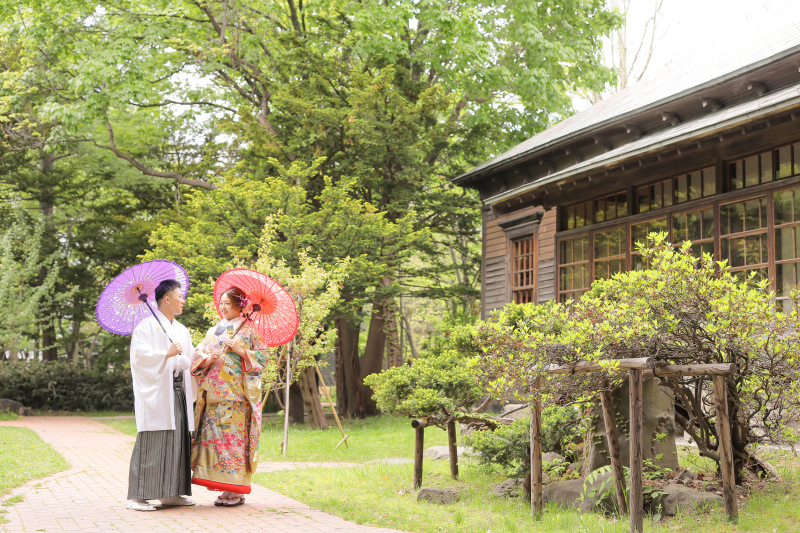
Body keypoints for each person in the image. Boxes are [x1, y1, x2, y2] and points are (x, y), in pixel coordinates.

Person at [191, 287, 267, 507]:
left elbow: (263, 357)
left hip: (237, 396)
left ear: (239, 305)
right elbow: (198, 353)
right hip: (214, 396)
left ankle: (236, 490)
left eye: (228, 303)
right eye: (221, 303)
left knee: (234, 444)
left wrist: (241, 351)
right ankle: (224, 488)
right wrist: (209, 359)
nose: (223, 307)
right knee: (216, 443)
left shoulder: (249, 330)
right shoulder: (213, 330)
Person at [127, 279, 197, 511]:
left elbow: (191, 358)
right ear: (167, 299)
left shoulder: (182, 330)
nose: (183, 300)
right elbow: (139, 358)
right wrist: (166, 353)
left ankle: (171, 493)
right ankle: (138, 496)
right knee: (154, 441)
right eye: (179, 296)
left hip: (178, 391)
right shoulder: (145, 327)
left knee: (178, 440)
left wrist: (201, 359)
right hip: (157, 392)